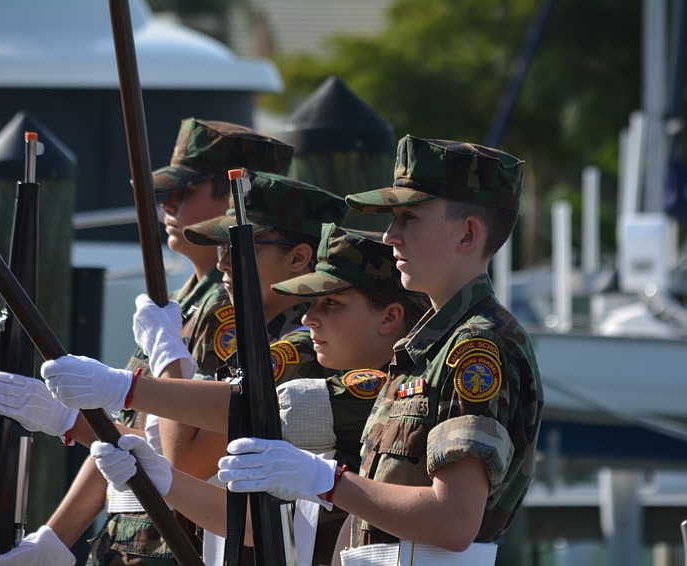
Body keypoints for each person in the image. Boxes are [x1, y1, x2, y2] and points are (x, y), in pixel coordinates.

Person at [213, 135, 545, 565]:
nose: (391, 236)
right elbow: (369, 523)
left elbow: (453, 520)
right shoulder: (426, 348)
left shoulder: (477, 348)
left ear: (468, 233)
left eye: (409, 218)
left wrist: (326, 481)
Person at [0, 118, 295, 565]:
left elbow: (181, 456)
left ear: (234, 197)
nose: (169, 204)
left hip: (181, 542)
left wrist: (73, 421)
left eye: (186, 191)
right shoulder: (179, 303)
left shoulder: (243, 314)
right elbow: (126, 426)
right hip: (126, 539)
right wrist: (52, 541)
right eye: (167, 192)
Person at [84, 222, 429, 566]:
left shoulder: (376, 387)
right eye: (311, 303)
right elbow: (261, 523)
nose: (309, 317)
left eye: (331, 303)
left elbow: (234, 418)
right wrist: (163, 481)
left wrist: (136, 382)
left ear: (390, 317)